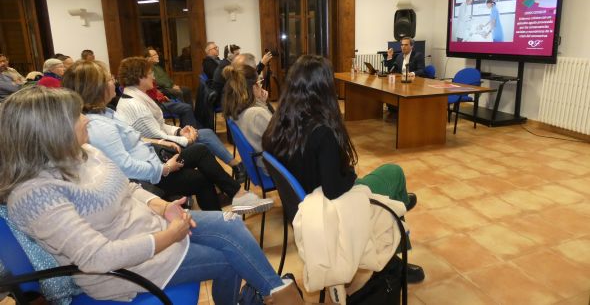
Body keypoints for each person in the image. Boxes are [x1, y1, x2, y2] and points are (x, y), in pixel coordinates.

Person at [0, 87, 313, 304]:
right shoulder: (35, 194)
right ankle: (283, 297)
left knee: (231, 223)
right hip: (121, 271)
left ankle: (278, 294)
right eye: (76, 115)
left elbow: (130, 188)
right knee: (228, 260)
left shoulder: (84, 152)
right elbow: (98, 258)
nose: (86, 119)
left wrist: (163, 207)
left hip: (152, 229)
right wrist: (171, 235)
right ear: (50, 130)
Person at [262, 55, 425, 283]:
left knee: (390, 192)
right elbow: (334, 189)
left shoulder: (276, 125)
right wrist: (350, 174)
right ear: (323, 88)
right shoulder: (322, 132)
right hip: (329, 205)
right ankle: (395, 262)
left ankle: (399, 205)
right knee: (393, 172)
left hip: (304, 203)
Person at [61, 59, 256, 212]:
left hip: (153, 158)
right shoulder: (100, 125)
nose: (114, 81)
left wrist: (166, 139)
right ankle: (231, 200)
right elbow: (125, 167)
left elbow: (140, 136)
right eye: (109, 79)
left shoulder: (106, 113)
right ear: (97, 88)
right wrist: (164, 168)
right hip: (150, 175)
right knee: (201, 172)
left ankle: (234, 195)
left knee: (201, 152)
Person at [115, 57, 256, 198]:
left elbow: (159, 127)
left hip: (158, 146)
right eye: (150, 73)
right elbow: (157, 137)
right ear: (139, 77)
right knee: (203, 145)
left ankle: (233, 174)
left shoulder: (134, 97)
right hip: (158, 153)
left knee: (205, 134)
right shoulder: (136, 105)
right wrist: (185, 139)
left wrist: (179, 131)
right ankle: (235, 175)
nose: (153, 76)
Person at [222, 63, 272, 173]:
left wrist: (262, 103)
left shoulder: (237, 108)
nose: (261, 86)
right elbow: (280, 140)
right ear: (254, 87)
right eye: (259, 82)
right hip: (274, 167)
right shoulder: (257, 114)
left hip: (263, 162)